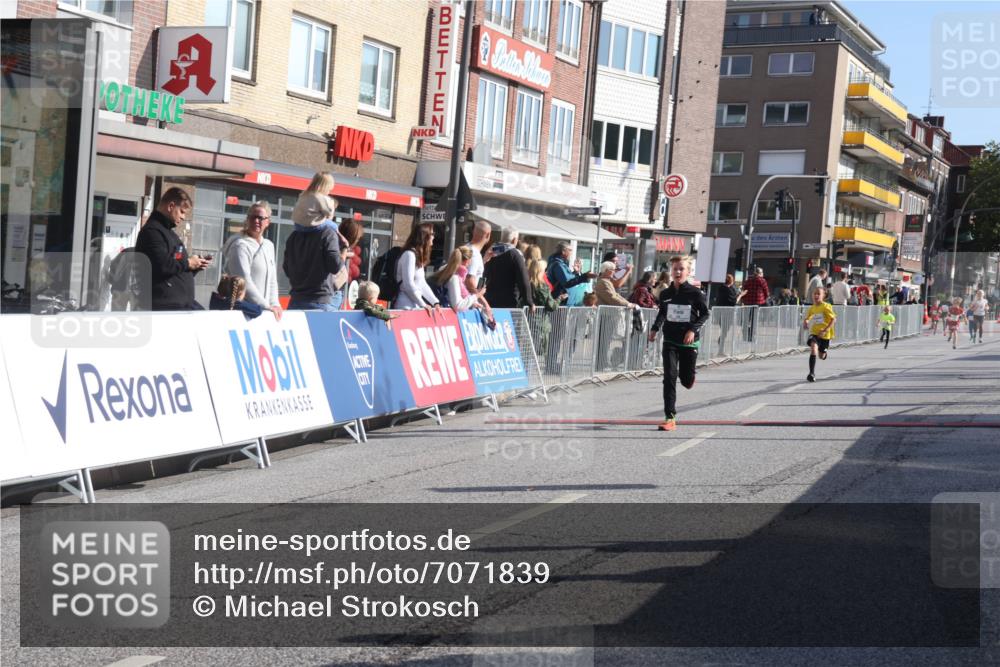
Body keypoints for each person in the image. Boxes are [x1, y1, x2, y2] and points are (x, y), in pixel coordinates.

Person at [648, 255, 710, 431]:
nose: (677, 272)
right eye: (675, 268)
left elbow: (705, 314)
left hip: (689, 342)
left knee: (685, 380)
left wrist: (693, 329)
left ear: (688, 272)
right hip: (670, 340)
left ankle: (690, 377)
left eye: (681, 269)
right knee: (669, 377)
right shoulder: (666, 293)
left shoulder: (695, 293)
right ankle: (670, 417)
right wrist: (655, 328)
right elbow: (662, 312)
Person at [134, 187, 210, 310]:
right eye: (182, 211)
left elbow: (175, 267)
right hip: (165, 308)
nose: (184, 217)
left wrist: (194, 267)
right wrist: (188, 263)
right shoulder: (152, 232)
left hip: (178, 305)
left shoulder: (168, 233)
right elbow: (162, 266)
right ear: (171, 206)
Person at [222, 201, 283, 320]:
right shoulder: (239, 245)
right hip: (244, 313)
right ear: (247, 219)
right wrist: (266, 305)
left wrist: (275, 304)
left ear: (268, 222)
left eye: (260, 218)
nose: (256, 221)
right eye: (253, 217)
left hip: (263, 312)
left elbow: (272, 280)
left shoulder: (269, 245)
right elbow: (245, 281)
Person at [395, 223, 442, 315]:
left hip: (414, 306)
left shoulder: (416, 256)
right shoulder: (409, 255)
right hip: (405, 307)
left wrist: (435, 302)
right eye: (432, 234)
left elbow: (422, 283)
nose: (433, 237)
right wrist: (423, 304)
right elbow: (408, 284)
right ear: (424, 236)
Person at [484, 227, 534, 310]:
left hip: (489, 299)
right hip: (508, 301)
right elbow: (523, 278)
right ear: (514, 240)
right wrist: (529, 301)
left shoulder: (491, 251)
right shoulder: (515, 254)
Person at [528, 259, 566, 359]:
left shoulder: (527, 283)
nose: (546, 272)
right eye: (545, 269)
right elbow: (551, 306)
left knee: (528, 351)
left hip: (528, 319)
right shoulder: (541, 285)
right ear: (541, 270)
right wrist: (559, 299)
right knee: (535, 351)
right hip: (539, 322)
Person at [802, 286, 836, 382]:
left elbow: (833, 319)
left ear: (823, 296)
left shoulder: (826, 306)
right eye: (814, 293)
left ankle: (824, 354)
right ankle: (811, 373)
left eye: (818, 294)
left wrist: (825, 330)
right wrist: (806, 321)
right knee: (813, 348)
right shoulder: (812, 307)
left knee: (821, 356)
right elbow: (808, 317)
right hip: (815, 332)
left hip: (825, 334)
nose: (816, 295)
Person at [463, 219, 492, 295]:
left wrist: (484, 259)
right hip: (468, 302)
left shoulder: (467, 247)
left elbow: (471, 270)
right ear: (488, 235)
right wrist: (479, 297)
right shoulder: (474, 254)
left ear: (473, 232)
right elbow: (469, 280)